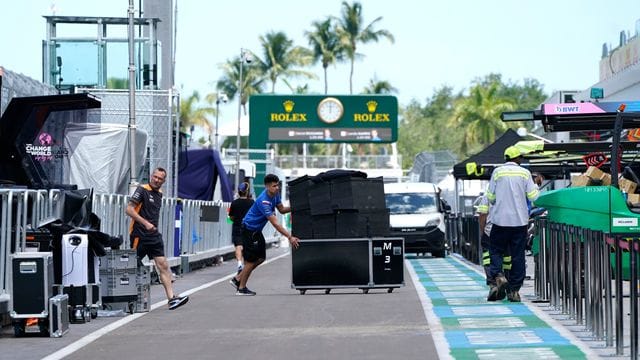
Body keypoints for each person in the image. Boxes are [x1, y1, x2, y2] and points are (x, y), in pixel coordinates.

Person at [126, 167, 189, 310]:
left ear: (164, 181)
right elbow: (129, 209)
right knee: (131, 266)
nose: (157, 180)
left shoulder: (160, 193)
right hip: (139, 235)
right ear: (151, 176)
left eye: (160, 179)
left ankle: (171, 298)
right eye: (155, 177)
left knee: (163, 265)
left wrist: (152, 226)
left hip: (154, 235)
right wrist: (146, 223)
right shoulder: (142, 190)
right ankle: (129, 299)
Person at [485, 146, 541, 302]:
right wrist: (536, 185)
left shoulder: (497, 172)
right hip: (519, 222)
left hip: (500, 221)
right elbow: (533, 196)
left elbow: (490, 197)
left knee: (495, 251)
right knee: (517, 256)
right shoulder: (524, 173)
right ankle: (514, 290)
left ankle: (498, 275)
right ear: (518, 159)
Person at [229, 174, 300, 296]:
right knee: (251, 261)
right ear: (267, 186)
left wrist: (297, 207)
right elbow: (275, 224)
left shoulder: (275, 195)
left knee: (261, 258)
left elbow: (282, 210)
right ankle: (241, 288)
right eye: (274, 186)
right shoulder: (264, 201)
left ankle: (237, 279)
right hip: (249, 230)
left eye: (278, 185)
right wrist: (289, 237)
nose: (277, 188)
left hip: (256, 231)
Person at [474, 190, 511, 285]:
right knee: (507, 258)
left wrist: (483, 231)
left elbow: (482, 215)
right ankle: (508, 282)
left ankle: (493, 283)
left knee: (488, 257)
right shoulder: (512, 194)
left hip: (490, 231)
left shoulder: (488, 195)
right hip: (508, 230)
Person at [228, 182, 254, 274]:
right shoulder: (252, 203)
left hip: (237, 227)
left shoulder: (234, 203)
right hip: (248, 228)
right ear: (247, 192)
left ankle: (239, 264)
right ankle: (245, 265)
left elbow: (231, 218)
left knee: (238, 247)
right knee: (246, 247)